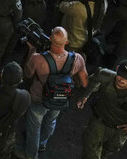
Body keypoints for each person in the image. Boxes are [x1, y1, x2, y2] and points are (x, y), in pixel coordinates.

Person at [21, 26, 88, 159]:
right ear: (67, 42)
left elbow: (27, 74)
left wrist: (32, 51)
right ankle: (42, 144)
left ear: (50, 39)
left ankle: (31, 155)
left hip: (39, 98)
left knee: (34, 127)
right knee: (51, 120)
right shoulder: (77, 58)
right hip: (60, 98)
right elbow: (85, 83)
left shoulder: (37, 58)